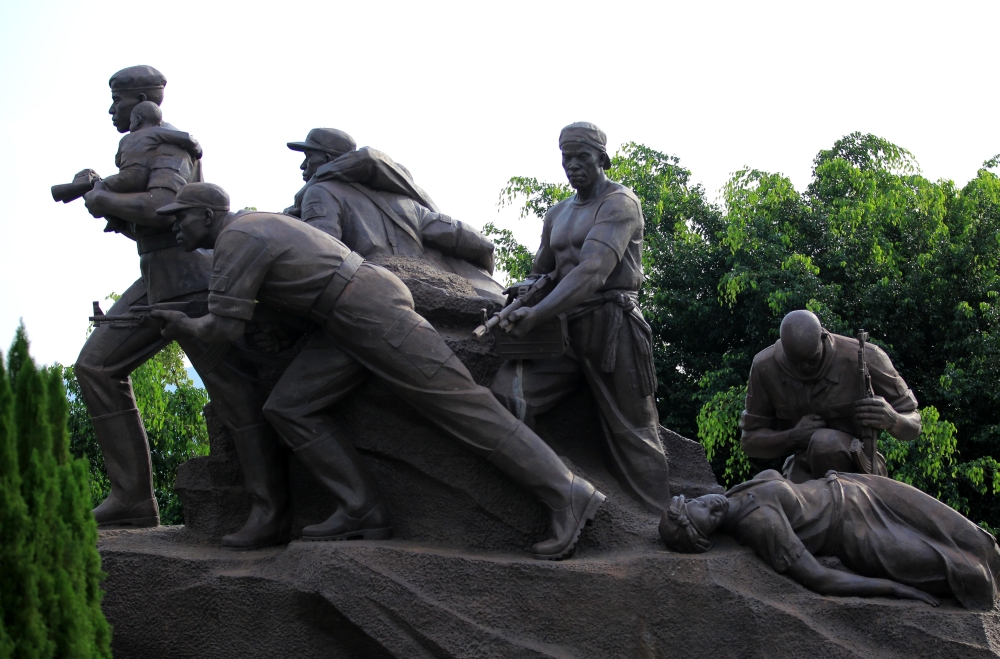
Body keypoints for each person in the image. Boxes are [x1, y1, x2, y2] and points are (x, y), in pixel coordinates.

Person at [153, 182, 606, 560]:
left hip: (365, 308)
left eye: (181, 216)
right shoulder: (253, 226)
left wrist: (180, 324)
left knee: (460, 404)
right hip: (340, 319)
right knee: (290, 406)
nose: (174, 225)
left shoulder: (238, 236)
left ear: (209, 214)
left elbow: (222, 326)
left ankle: (565, 490)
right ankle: (361, 509)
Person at [72, 66, 273, 537]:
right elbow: (141, 213)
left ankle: (269, 509)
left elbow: (160, 207)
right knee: (95, 367)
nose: (111, 111)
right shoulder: (141, 149)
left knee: (233, 395)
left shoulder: (168, 144)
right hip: (155, 276)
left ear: (140, 100)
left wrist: (105, 200)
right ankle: (131, 500)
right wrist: (105, 195)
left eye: (116, 101)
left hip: (190, 278)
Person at [489, 122, 671, 513]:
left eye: (582, 157)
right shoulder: (557, 213)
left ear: (602, 159)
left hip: (611, 327)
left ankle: (660, 518)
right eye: (566, 158)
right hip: (560, 330)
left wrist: (536, 313)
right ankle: (555, 496)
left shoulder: (620, 203)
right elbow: (543, 269)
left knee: (635, 431)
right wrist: (522, 293)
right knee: (509, 397)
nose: (572, 165)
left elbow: (592, 270)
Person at [658, 470, 1000, 610]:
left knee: (979, 541)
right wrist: (892, 588)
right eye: (712, 518)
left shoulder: (737, 492)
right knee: (969, 575)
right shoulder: (760, 524)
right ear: (710, 536)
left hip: (858, 487)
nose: (714, 506)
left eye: (703, 504)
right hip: (857, 532)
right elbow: (818, 578)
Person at [283, 128, 501, 301]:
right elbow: (472, 240)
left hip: (369, 295)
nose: (303, 165)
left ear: (328, 158)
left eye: (309, 156)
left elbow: (318, 254)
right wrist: (485, 261)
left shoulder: (320, 192)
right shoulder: (406, 203)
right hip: (422, 291)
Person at [740, 310, 922, 481]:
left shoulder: (867, 357)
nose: (804, 368)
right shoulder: (764, 366)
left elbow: (914, 423)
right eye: (795, 363)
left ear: (823, 337)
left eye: (811, 360)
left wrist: (893, 420)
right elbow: (749, 442)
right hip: (802, 471)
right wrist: (793, 436)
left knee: (825, 443)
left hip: (859, 470)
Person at [103, 100, 202, 195]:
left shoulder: (125, 139)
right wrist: (197, 149)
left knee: (103, 184)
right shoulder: (157, 133)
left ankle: (97, 184)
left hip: (126, 177)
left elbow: (117, 161)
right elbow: (185, 137)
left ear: (137, 120)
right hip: (143, 177)